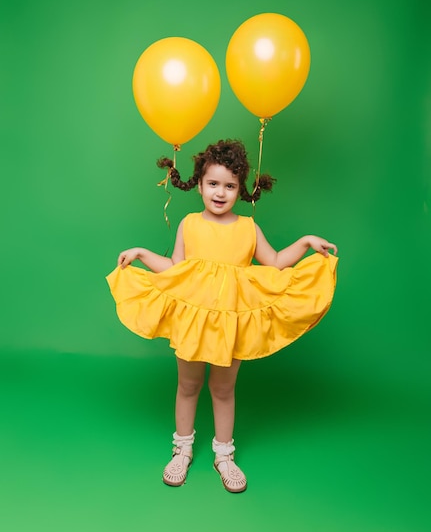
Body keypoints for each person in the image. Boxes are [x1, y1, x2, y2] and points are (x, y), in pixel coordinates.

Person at [106, 139, 338, 493]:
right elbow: (175, 268)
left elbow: (274, 262)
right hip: (193, 320)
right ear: (198, 184)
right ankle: (181, 449)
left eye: (230, 186)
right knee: (188, 385)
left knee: (223, 388)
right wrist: (141, 252)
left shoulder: (248, 228)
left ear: (241, 190)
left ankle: (224, 455)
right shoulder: (189, 223)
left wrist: (305, 242)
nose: (220, 192)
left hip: (230, 321)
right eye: (213, 183)